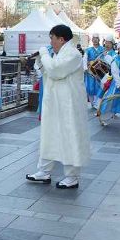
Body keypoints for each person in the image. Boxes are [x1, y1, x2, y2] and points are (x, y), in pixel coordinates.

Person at [26, 25, 90, 189]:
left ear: (61, 39)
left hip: (69, 105)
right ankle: (43, 171)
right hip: (54, 103)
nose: (50, 42)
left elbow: (56, 70)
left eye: (52, 38)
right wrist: (41, 60)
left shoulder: (74, 55)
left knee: (70, 137)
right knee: (49, 135)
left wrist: (44, 53)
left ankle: (72, 177)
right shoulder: (58, 54)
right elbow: (47, 72)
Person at [83, 36, 104, 109]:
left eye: (96, 39)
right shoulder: (88, 50)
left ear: (99, 40)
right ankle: (92, 103)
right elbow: (85, 59)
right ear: (92, 40)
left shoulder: (103, 49)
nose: (95, 40)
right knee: (90, 87)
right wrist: (85, 68)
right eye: (93, 39)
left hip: (100, 70)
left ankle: (97, 103)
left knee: (99, 86)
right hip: (90, 70)